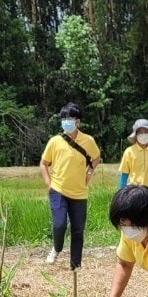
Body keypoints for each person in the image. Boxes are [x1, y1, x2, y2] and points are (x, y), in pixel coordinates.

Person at [39, 103, 100, 269]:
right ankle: (56, 248)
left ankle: (75, 265)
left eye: (70, 118)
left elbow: (96, 158)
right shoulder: (55, 141)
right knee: (59, 225)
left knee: (78, 230)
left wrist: (89, 173)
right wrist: (48, 184)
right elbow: (43, 163)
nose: (66, 121)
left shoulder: (88, 141)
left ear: (78, 122)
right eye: (64, 118)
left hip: (79, 193)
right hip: (58, 189)